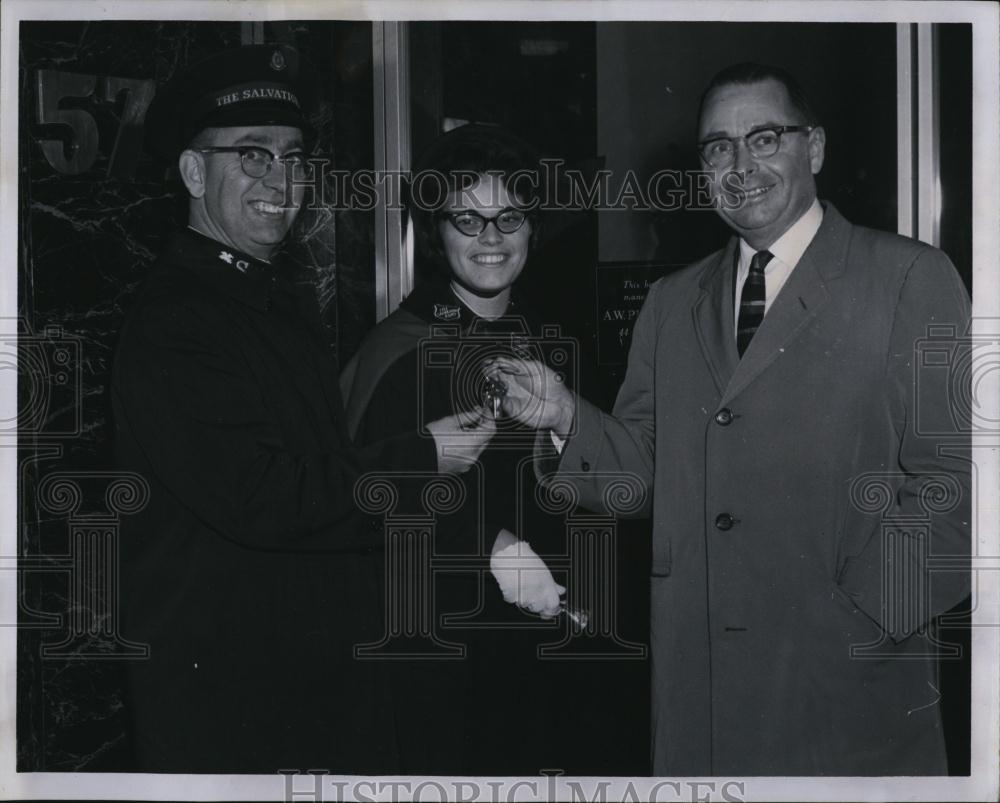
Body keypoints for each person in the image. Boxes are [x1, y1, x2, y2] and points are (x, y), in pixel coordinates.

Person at [491, 63, 971, 776]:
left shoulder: (908, 277)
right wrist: (565, 415)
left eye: (764, 137)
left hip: (846, 691)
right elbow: (642, 476)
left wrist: (860, 614)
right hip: (700, 691)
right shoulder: (670, 301)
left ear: (814, 149)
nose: (740, 165)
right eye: (718, 147)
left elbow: (961, 486)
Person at [112, 45, 495, 774]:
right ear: (194, 173)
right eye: (251, 155)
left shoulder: (265, 298)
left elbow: (314, 468)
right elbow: (262, 494)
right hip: (237, 700)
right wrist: (422, 456)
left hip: (298, 679)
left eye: (292, 157)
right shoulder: (178, 322)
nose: (280, 180)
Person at [341, 124, 632, 775]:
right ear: (438, 236)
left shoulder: (547, 336)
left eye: (510, 218)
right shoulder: (400, 351)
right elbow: (371, 504)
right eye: (468, 219)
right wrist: (495, 547)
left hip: (542, 642)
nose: (492, 238)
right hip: (445, 654)